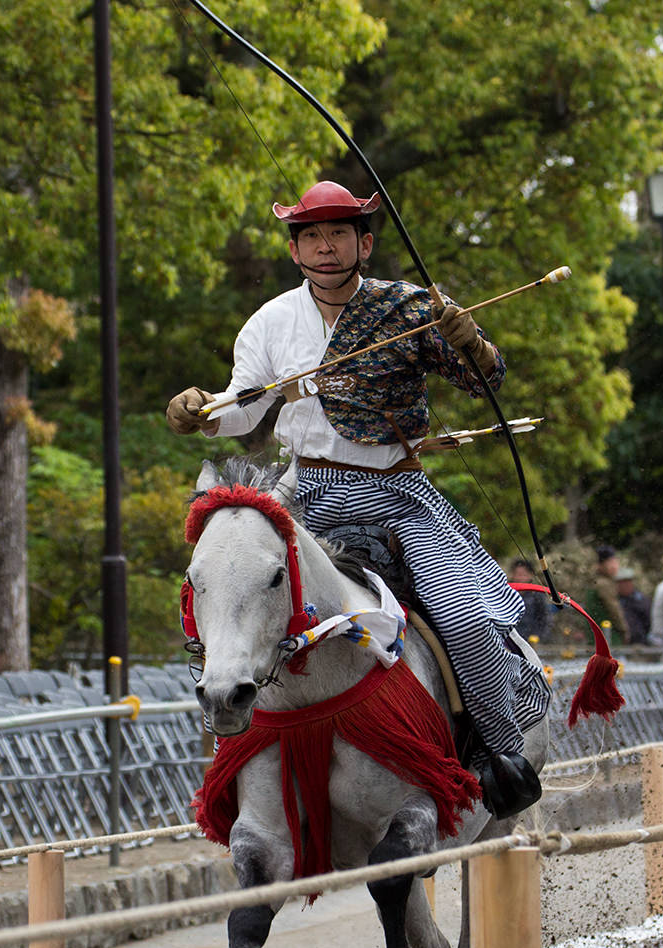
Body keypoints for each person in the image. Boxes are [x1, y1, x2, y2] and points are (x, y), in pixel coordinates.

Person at [164, 179, 548, 817]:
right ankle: (244, 774)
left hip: (396, 494)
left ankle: (495, 751)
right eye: (310, 235)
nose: (324, 246)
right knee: (231, 596)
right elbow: (243, 410)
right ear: (295, 251)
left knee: (466, 618)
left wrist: (467, 338)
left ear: (363, 243)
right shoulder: (271, 321)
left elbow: (488, 381)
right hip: (302, 494)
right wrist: (201, 412)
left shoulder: (407, 308)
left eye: (338, 233)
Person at [509, 559, 551, 643]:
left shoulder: (537, 596)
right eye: (517, 574)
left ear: (530, 576)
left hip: (531, 640)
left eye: (523, 575)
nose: (519, 578)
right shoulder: (507, 593)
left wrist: (538, 636)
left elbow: (545, 620)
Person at [589, 545, 624, 639]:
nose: (615, 566)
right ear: (601, 565)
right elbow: (614, 609)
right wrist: (624, 630)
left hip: (595, 635)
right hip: (608, 636)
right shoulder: (604, 584)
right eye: (611, 562)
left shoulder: (593, 581)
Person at [617, 568, 651, 647]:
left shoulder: (641, 600)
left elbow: (648, 621)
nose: (625, 585)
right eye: (621, 583)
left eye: (627, 582)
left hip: (639, 643)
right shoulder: (617, 601)